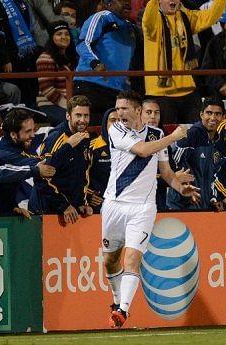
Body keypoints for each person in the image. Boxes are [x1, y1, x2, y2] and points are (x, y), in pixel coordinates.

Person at [102, 90, 199, 328]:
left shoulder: (156, 134)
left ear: (137, 111)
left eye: (124, 108)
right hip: (114, 204)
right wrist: (174, 136)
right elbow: (144, 151)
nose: (119, 113)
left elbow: (166, 172)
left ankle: (123, 310)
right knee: (110, 261)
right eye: (117, 108)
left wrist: (179, 188)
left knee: (132, 259)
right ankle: (116, 300)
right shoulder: (116, 130)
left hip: (143, 208)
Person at [142, 0, 226, 125]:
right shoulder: (153, 20)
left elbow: (209, 16)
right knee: (164, 136)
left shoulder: (186, 16)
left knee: (198, 132)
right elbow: (148, 18)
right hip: (161, 92)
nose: (172, 0)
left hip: (188, 90)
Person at [29, 95, 93, 223]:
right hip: (45, 212)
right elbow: (41, 179)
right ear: (68, 116)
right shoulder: (56, 138)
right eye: (78, 115)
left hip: (69, 212)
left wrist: (81, 202)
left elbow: (82, 174)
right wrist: (64, 206)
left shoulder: (85, 138)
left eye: (86, 116)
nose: (83, 120)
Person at [73, 0, 138, 126]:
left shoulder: (131, 28)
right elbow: (83, 43)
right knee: (88, 133)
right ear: (109, 3)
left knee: (112, 136)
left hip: (117, 90)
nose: (127, 3)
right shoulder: (101, 17)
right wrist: (95, 63)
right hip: (91, 85)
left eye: (129, 1)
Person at [167, 97, 226, 210]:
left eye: (218, 114)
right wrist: (183, 188)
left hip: (204, 205)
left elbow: (214, 175)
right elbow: (173, 164)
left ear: (223, 117)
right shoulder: (192, 135)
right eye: (209, 113)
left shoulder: (218, 142)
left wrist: (213, 198)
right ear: (201, 114)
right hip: (182, 205)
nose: (213, 118)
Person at [36, 20, 78, 126]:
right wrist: (69, 106)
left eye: (67, 34)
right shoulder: (45, 57)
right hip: (50, 105)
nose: (64, 37)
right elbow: (47, 89)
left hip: (68, 104)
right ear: (52, 38)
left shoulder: (70, 58)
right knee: (74, 123)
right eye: (59, 34)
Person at [86, 108, 119, 213]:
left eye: (121, 120)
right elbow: (78, 176)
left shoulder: (133, 147)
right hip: (98, 206)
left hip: (125, 205)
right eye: (113, 120)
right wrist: (88, 195)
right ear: (105, 123)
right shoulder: (92, 147)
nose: (117, 124)